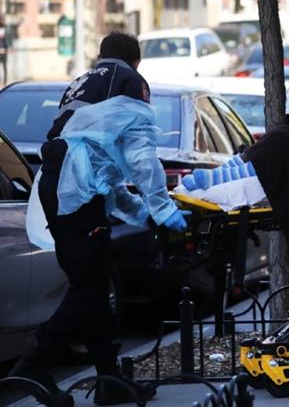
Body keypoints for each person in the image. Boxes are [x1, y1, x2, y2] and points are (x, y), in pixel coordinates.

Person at [10, 32, 189, 406]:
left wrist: (139, 212)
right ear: (136, 61)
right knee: (89, 287)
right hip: (77, 194)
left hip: (58, 187)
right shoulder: (129, 82)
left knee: (94, 280)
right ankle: (34, 364)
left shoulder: (82, 84)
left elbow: (99, 164)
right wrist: (162, 208)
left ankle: (109, 380)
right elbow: (140, 156)